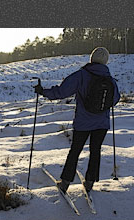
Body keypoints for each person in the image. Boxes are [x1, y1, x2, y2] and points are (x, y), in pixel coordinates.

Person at [34, 47, 120, 193]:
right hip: (102, 124)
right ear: (106, 61)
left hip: (83, 122)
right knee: (95, 151)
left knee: (75, 151)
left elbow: (62, 92)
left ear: (91, 59)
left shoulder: (81, 75)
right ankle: (90, 182)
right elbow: (115, 99)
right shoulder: (110, 79)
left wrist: (43, 91)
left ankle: (66, 182)